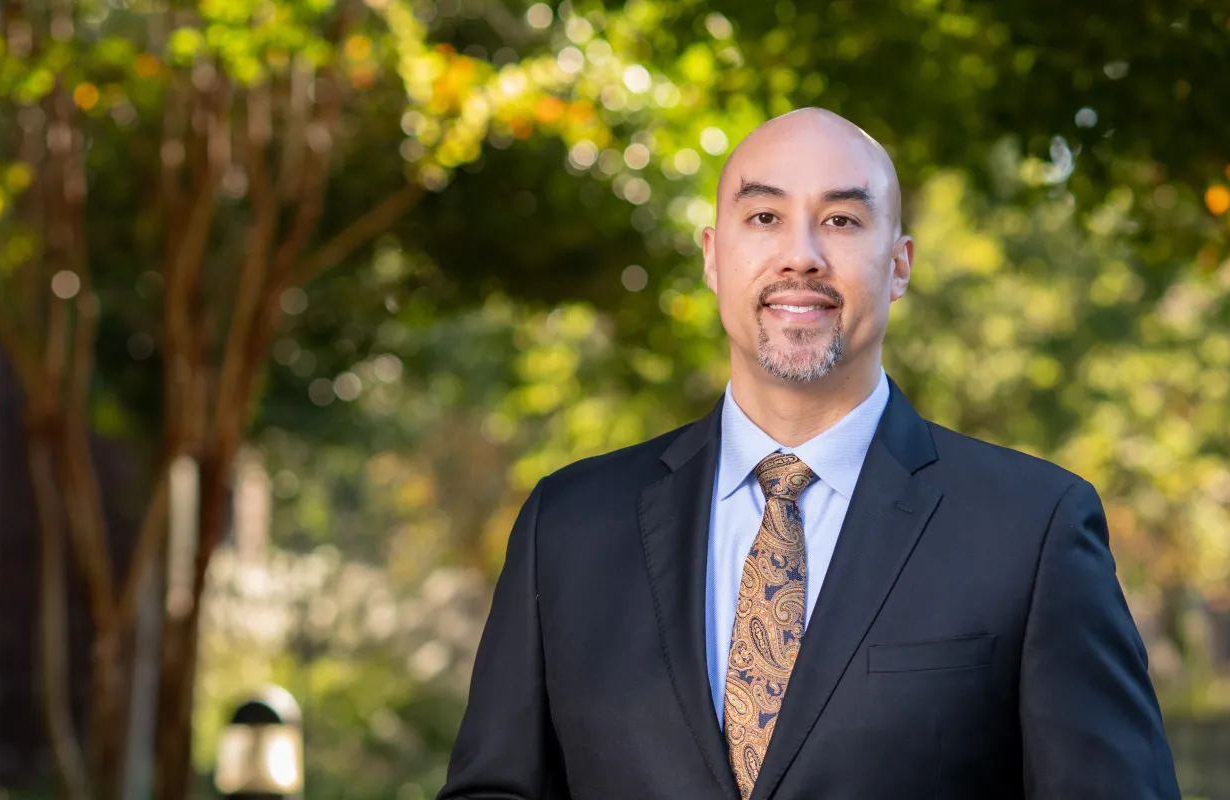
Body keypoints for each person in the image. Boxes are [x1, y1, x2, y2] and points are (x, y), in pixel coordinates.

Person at [436, 108, 1179, 799]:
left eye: (843, 220)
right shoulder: (566, 528)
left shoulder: (1033, 530)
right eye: (764, 217)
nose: (802, 255)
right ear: (713, 257)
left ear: (898, 264)